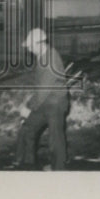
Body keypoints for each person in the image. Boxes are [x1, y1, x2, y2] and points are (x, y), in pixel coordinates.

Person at [15, 28, 69, 171]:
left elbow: (43, 91)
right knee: (28, 128)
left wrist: (28, 108)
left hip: (55, 104)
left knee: (55, 139)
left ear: (39, 44)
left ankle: (58, 171)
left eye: (31, 46)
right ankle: (27, 163)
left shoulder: (50, 59)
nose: (30, 50)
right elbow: (40, 87)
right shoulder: (43, 55)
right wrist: (29, 100)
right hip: (45, 100)